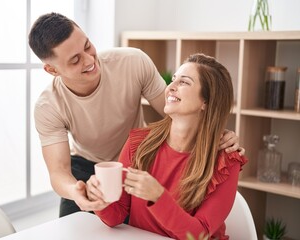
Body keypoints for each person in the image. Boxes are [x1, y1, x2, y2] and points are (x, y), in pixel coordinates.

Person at [28, 12, 243, 218]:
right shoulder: (48, 106)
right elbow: (58, 172)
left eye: (87, 46)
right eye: (75, 60)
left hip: (136, 162)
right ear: (52, 70)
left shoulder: (133, 62)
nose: (89, 60)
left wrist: (217, 134)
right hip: (86, 169)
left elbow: (177, 111)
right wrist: (76, 191)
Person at [86, 53, 248, 240]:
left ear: (206, 101)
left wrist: (158, 197)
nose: (170, 87)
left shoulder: (225, 160)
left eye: (184, 82)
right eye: (173, 80)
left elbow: (198, 235)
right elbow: (116, 215)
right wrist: (99, 200)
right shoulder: (139, 144)